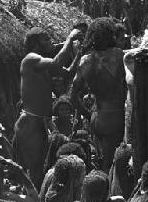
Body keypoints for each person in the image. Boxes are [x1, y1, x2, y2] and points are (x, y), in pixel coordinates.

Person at [14, 26, 83, 189]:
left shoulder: (41, 65)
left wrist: (80, 53)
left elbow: (67, 74)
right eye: (46, 39)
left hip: (39, 124)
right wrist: (70, 38)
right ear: (36, 43)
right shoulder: (31, 59)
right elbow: (56, 63)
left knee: (39, 170)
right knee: (35, 171)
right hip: (30, 123)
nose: (50, 42)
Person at [70, 18, 126, 172]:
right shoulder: (118, 55)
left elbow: (73, 95)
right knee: (113, 165)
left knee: (100, 161)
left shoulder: (85, 60)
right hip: (115, 116)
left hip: (96, 117)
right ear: (110, 35)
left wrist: (87, 115)